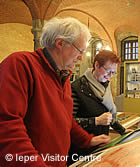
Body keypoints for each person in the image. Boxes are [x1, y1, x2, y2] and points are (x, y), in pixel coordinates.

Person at [0, 17, 110, 167]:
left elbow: (66, 121)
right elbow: (7, 126)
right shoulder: (21, 64)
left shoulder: (62, 77)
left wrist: (87, 140)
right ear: (60, 43)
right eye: (80, 51)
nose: (81, 58)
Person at [68, 50, 132, 164]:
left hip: (100, 145)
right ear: (96, 65)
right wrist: (96, 121)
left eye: (113, 73)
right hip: (81, 150)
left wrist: (122, 130)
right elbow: (69, 122)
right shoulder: (76, 88)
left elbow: (108, 115)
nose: (110, 76)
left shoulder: (105, 86)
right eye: (108, 71)